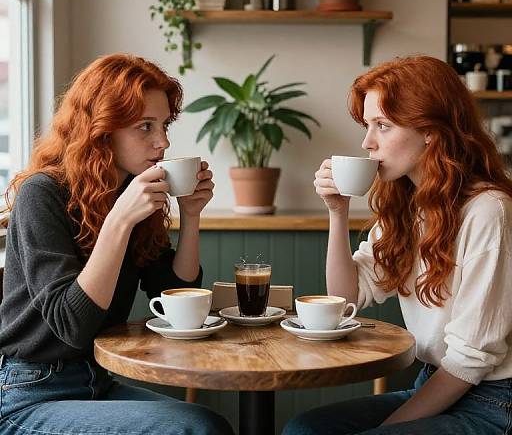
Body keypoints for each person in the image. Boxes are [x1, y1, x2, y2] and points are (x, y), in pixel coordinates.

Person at [0, 54, 234, 435]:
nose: (163, 141)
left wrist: (191, 216)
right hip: (30, 394)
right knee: (194, 430)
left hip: (96, 381)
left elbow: (174, 294)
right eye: (145, 126)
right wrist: (120, 219)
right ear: (101, 129)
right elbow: (71, 325)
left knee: (210, 424)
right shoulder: (42, 194)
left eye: (163, 124)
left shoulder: (128, 190)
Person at [283, 55, 512, 435]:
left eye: (382, 126)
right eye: (368, 125)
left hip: (492, 401)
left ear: (430, 131)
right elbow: (347, 297)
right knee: (304, 429)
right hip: (435, 382)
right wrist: (336, 213)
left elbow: (471, 361)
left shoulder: (489, 211)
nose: (366, 142)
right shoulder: (409, 205)